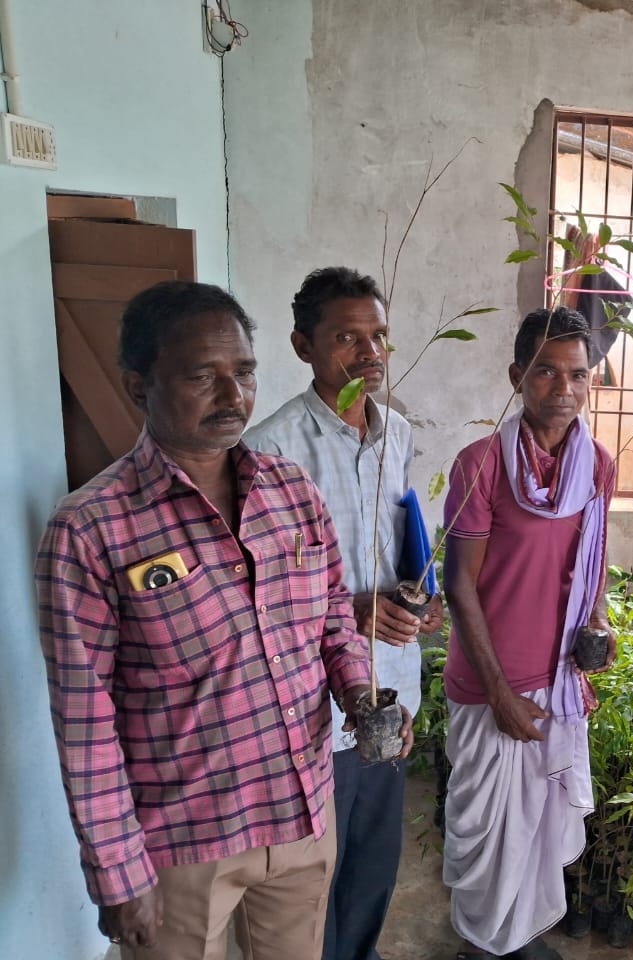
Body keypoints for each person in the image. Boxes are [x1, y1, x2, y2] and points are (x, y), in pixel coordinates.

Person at [35, 281, 409, 960]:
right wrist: (116, 874)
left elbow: (331, 622)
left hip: (300, 816)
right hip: (182, 846)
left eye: (243, 373)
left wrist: (358, 689)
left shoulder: (291, 493)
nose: (232, 396)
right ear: (137, 387)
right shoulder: (91, 531)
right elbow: (84, 724)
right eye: (202, 377)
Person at [245, 266, 443, 960]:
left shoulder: (397, 435)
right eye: (347, 337)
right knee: (309, 882)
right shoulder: (269, 451)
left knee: (371, 868)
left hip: (391, 690)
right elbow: (254, 596)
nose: (369, 353)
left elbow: (400, 536)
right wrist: (351, 610)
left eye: (379, 335)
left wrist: (423, 595)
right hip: (313, 708)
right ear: (304, 346)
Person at [441, 306, 617, 960]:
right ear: (518, 376)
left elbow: (592, 560)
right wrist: (500, 695)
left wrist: (598, 621)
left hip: (557, 684)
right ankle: (483, 946)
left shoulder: (596, 465)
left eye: (577, 374)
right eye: (546, 372)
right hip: (492, 686)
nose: (563, 388)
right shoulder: (480, 464)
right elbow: (460, 587)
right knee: (489, 836)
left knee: (540, 832)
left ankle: (519, 939)